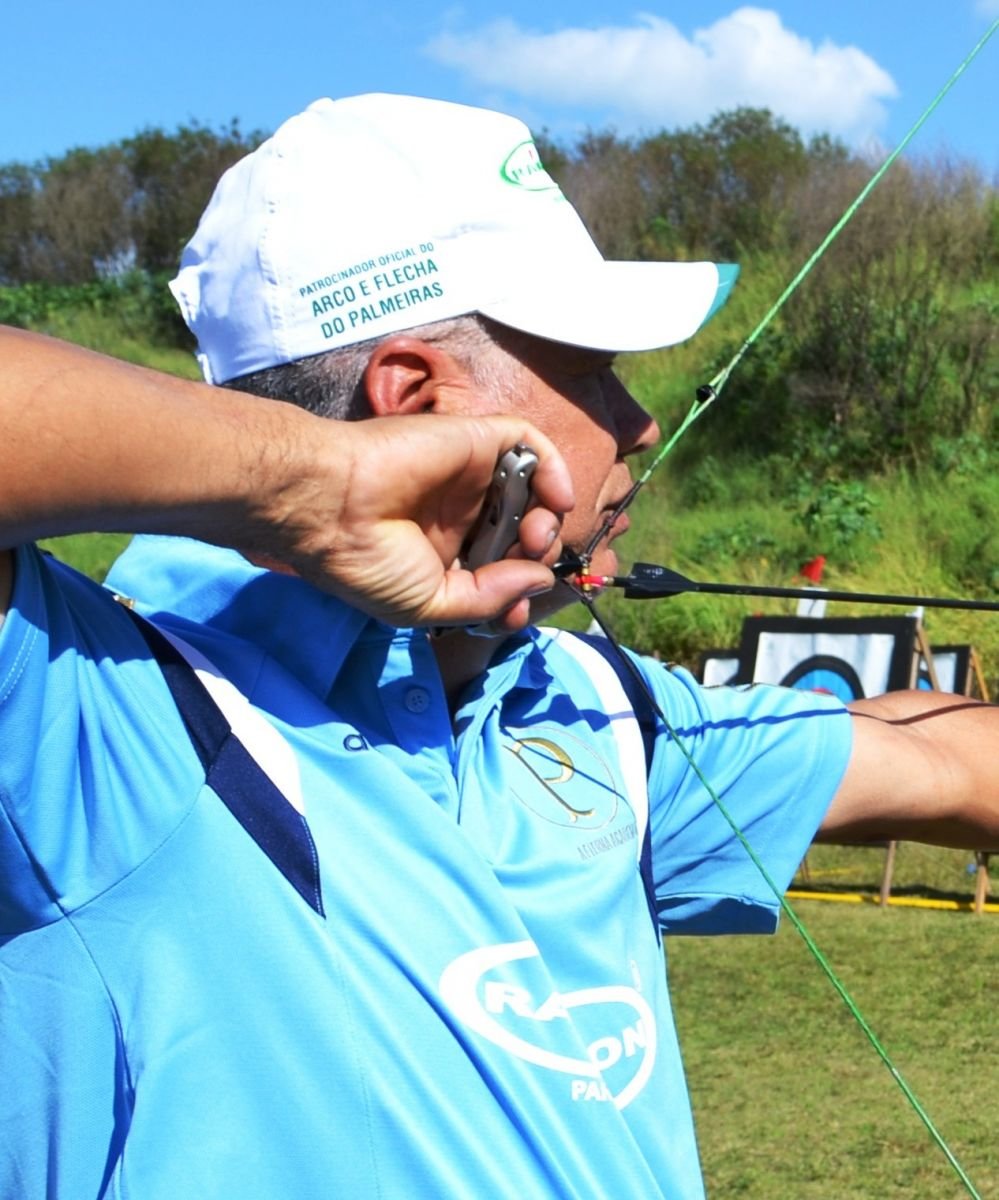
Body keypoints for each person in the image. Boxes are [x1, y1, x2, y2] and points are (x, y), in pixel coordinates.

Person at [0, 94, 995, 1200]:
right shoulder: (95, 717)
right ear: (415, 398)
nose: (642, 423)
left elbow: (952, 760)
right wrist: (317, 484)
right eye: (594, 368)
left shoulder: (581, 708)